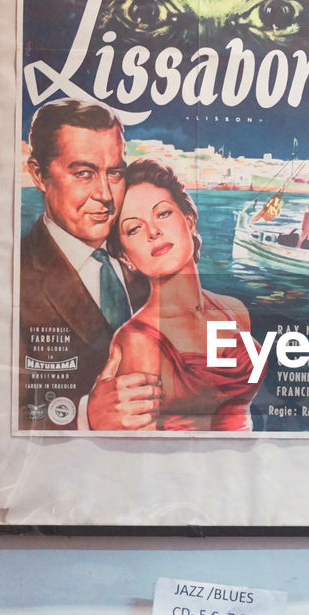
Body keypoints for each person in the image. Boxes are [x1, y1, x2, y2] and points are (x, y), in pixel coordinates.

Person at [19, 98, 161, 431]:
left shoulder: (144, 263)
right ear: (38, 175)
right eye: (84, 174)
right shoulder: (16, 278)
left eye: (115, 174)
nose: (105, 195)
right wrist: (86, 416)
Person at [100, 159, 260, 431]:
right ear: (126, 257)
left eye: (162, 214)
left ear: (189, 221)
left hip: (247, 466)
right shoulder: (138, 342)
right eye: (134, 228)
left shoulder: (235, 310)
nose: (153, 232)